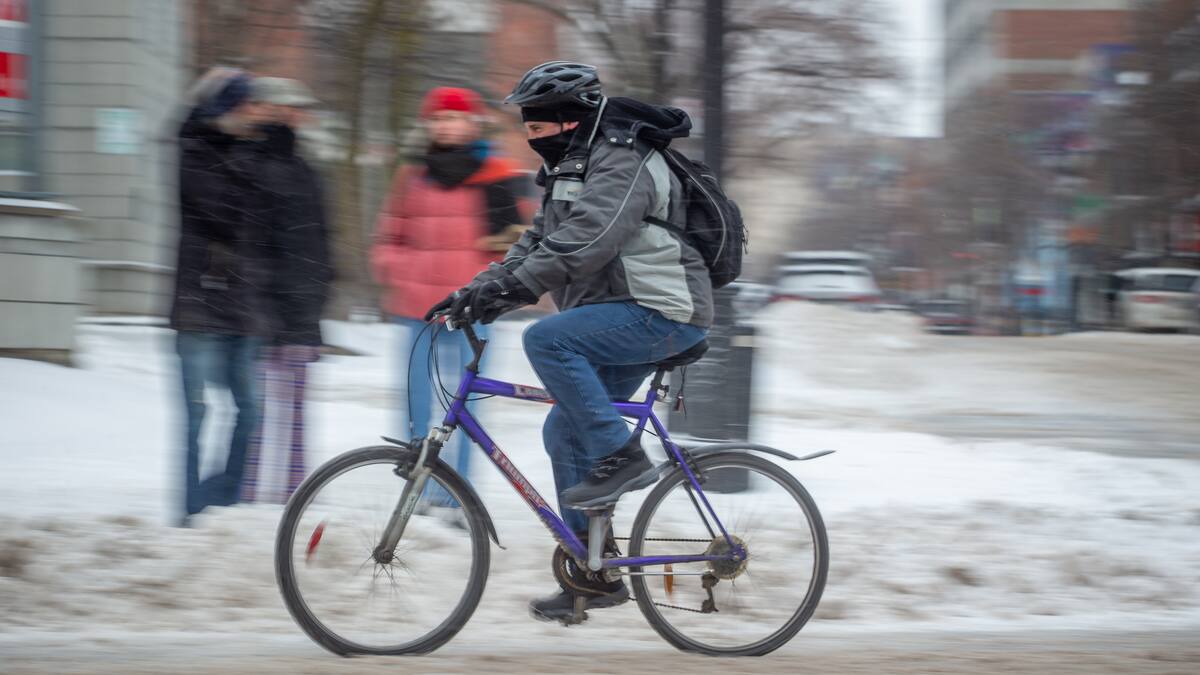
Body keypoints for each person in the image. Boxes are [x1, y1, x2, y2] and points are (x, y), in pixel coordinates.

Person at [426, 62, 712, 621]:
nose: (532, 139)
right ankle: (594, 573)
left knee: (548, 341)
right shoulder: (571, 167)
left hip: (664, 311)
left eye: (537, 129)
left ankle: (621, 455)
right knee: (563, 430)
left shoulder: (623, 159)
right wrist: (478, 291)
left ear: (569, 121)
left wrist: (516, 289)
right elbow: (537, 242)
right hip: (618, 314)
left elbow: (591, 240)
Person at [371, 86, 527, 517]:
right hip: (416, 308)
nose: (446, 126)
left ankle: (457, 500)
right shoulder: (413, 175)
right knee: (415, 409)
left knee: (465, 408)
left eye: (454, 118)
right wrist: (395, 271)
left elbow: (515, 243)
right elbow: (389, 233)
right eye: (438, 119)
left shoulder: (495, 173)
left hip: (471, 310)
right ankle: (417, 496)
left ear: (472, 123)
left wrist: (488, 286)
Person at [170, 68, 272, 527]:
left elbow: (265, 218)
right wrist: (248, 157)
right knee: (196, 416)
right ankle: (192, 512)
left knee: (249, 412)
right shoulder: (193, 152)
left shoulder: (247, 153)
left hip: (242, 304)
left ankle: (223, 504)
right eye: (247, 106)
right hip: (197, 304)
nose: (256, 115)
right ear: (225, 110)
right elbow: (223, 211)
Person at [239, 77, 333, 504]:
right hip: (268, 311)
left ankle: (279, 497)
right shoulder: (260, 167)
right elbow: (255, 243)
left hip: (288, 311)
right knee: (265, 414)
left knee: (282, 414)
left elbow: (319, 244)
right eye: (289, 109)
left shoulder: (303, 170)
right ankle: (264, 496)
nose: (296, 116)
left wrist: (312, 296)